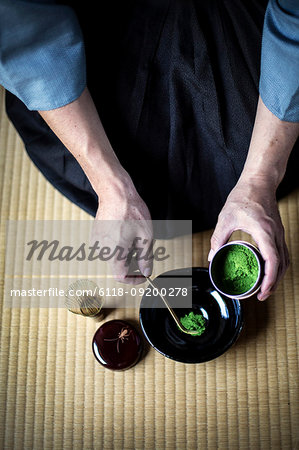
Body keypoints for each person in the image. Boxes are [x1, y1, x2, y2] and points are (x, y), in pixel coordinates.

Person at [1, 0, 299, 298]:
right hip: (103, 27)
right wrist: (110, 186)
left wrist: (260, 179)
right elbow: (31, 44)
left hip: (245, 23)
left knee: (254, 140)